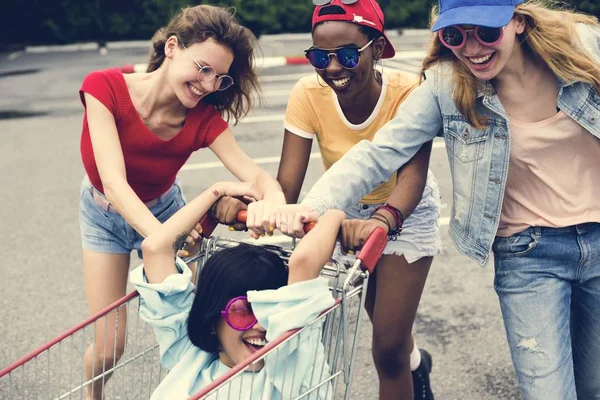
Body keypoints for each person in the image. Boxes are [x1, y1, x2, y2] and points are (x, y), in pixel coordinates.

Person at [274, 0, 600, 398]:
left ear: (517, 21)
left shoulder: (582, 46)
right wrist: (313, 207)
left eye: (486, 31)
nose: (472, 47)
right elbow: (381, 152)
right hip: (529, 254)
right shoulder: (448, 83)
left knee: (593, 382)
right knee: (548, 390)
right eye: (455, 35)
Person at [78, 5, 285, 398]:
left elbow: (258, 176)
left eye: (220, 78)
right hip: (104, 214)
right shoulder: (104, 88)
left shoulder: (203, 120)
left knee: (185, 327)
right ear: (172, 47)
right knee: (108, 346)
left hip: (165, 209)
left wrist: (271, 199)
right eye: (203, 68)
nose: (208, 85)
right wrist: (165, 242)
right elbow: (115, 184)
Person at [275, 2, 441, 399]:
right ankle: (417, 364)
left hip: (403, 211)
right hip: (343, 213)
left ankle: (404, 362)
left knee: (386, 347)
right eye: (320, 57)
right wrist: (262, 206)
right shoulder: (307, 94)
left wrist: (382, 221)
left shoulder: (409, 92)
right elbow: (287, 184)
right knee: (383, 324)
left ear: (378, 48)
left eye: (348, 55)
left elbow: (412, 180)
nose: (333, 68)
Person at [131, 180, 346, 399]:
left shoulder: (289, 368)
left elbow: (303, 264)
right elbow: (155, 249)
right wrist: (216, 192)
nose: (262, 325)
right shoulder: (190, 355)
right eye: (243, 311)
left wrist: (334, 217)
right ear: (213, 320)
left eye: (271, 311)